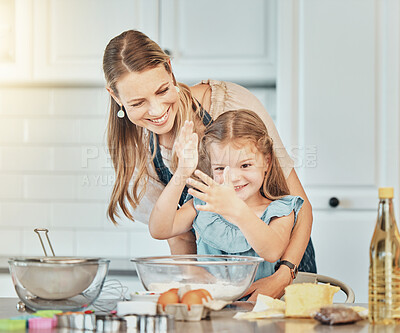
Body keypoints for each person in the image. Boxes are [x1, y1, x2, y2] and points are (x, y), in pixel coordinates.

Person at [103, 29, 316, 300]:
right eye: (138, 103)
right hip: (221, 289)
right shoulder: (137, 156)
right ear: (116, 97)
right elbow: (175, 236)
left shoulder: (231, 105)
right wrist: (211, 293)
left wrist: (281, 277)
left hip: (287, 268)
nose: (156, 111)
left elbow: (301, 207)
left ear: (169, 69)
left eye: (163, 90)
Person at [149, 110, 305, 288]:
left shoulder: (280, 210)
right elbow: (159, 229)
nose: (234, 177)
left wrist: (236, 209)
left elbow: (271, 251)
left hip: (260, 310)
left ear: (267, 162)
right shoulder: (204, 204)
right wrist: (182, 172)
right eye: (220, 168)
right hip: (210, 308)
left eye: (245, 165)